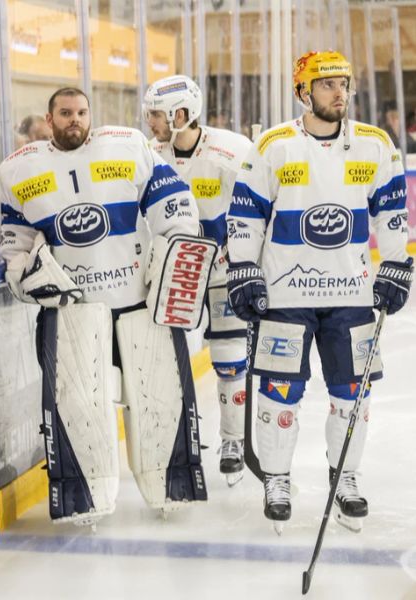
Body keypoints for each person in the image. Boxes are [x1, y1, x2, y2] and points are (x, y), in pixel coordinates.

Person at [0, 87, 210, 521]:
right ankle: (83, 497)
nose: (74, 119)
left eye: (80, 112)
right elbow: (14, 240)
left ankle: (171, 485)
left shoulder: (128, 146)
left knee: (159, 399)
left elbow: (174, 204)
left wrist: (174, 253)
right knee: (76, 406)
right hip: (71, 309)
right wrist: (23, 275)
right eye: (65, 113)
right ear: (49, 116)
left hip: (137, 302)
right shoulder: (18, 170)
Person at [226, 51, 411, 534]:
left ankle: (345, 475)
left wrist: (395, 263)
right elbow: (245, 214)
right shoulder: (273, 146)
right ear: (303, 92)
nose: (338, 93)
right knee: (279, 393)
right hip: (286, 295)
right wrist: (244, 270)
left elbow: (391, 212)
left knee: (354, 395)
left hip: (351, 293)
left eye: (343, 84)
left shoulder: (374, 145)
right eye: (326, 85)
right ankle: (277, 478)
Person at [144, 75, 254, 487]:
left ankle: (233, 441)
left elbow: (254, 209)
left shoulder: (232, 151)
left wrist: (245, 259)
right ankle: (171, 442)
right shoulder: (150, 155)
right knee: (166, 361)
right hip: (177, 276)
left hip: (224, 271)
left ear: (182, 115)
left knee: (228, 358)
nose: (150, 121)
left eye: (156, 114)